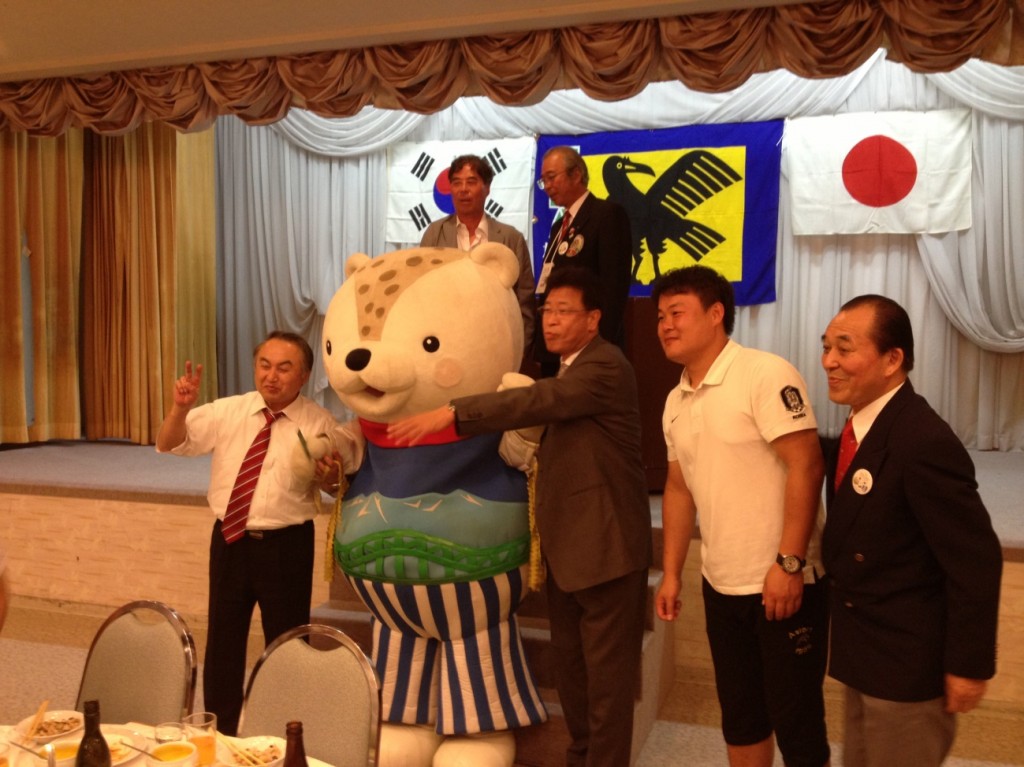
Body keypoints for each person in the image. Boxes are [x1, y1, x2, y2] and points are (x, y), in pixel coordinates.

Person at [388, 266, 652, 767]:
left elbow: (537, 400)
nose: (550, 321)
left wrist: (454, 412)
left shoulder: (605, 366)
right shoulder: (569, 369)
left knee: (607, 685)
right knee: (574, 675)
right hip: (569, 550)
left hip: (607, 550)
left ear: (593, 319)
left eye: (564, 312)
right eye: (547, 311)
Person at [652, 265, 831, 767]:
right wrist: (672, 573)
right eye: (660, 316)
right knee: (741, 716)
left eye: (677, 312)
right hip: (721, 583)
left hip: (782, 579)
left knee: (798, 726)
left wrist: (789, 563)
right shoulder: (674, 399)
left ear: (716, 314)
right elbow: (678, 488)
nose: (665, 325)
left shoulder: (763, 373)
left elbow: (807, 464)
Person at [820, 294, 1003, 767]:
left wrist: (967, 665)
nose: (829, 361)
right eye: (826, 347)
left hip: (907, 665)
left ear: (892, 359)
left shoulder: (922, 440)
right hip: (865, 652)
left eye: (844, 348)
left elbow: (975, 560)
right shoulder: (861, 427)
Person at [156, 330, 355, 735]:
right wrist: (180, 409)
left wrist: (329, 477)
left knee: (287, 646)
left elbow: (335, 485)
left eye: (284, 368)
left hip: (287, 546)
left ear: (304, 376)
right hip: (230, 539)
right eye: (264, 365)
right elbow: (169, 443)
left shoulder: (319, 423)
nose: (271, 376)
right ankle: (221, 735)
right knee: (223, 644)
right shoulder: (228, 410)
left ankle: (284, 733)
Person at [420, 153, 537, 363]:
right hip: (446, 346)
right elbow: (423, 293)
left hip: (497, 346)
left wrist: (519, 352)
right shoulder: (434, 234)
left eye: (471, 182)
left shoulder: (511, 238)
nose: (463, 189)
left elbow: (524, 303)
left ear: (487, 188)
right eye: (456, 183)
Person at [535, 145, 632, 374]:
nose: (547, 186)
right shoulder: (559, 226)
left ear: (576, 174)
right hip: (556, 346)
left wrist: (599, 347)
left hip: (589, 348)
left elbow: (614, 288)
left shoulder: (607, 215)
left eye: (551, 177)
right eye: (543, 181)